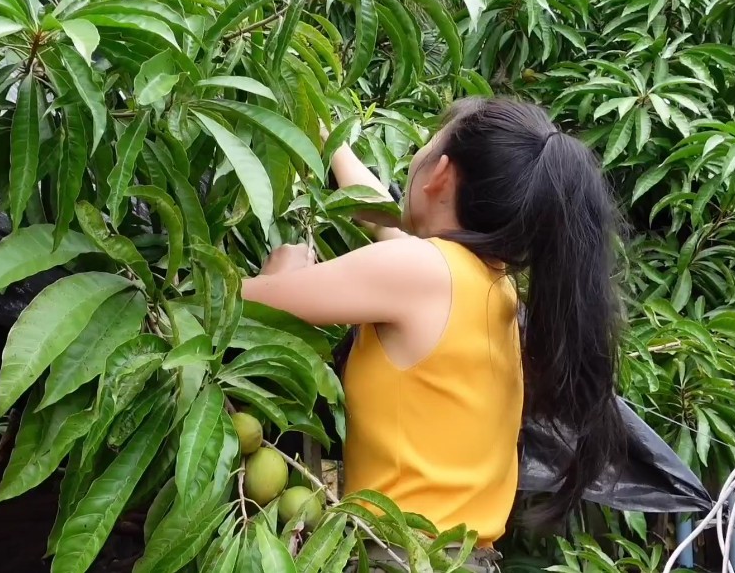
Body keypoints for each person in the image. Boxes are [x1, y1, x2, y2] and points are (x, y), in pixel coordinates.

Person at [241, 97, 625, 571]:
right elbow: (379, 213)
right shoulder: (490, 287)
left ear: (440, 174)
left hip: (399, 557)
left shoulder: (422, 273)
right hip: (463, 558)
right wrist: (326, 138)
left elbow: (239, 302)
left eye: (423, 148)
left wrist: (279, 270)